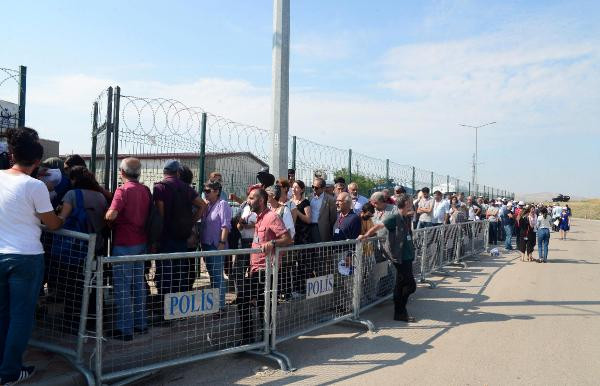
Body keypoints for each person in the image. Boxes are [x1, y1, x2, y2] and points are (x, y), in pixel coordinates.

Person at [0, 127, 63, 384]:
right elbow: (53, 223)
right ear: (37, 162)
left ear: (11, 154)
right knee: (22, 316)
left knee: (3, 313)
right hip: (26, 256)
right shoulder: (35, 186)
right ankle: (10, 371)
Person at [239, 188, 292, 345]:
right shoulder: (259, 218)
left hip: (267, 271)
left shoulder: (272, 217)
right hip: (256, 270)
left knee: (263, 306)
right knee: (246, 301)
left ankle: (266, 342)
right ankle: (250, 340)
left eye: (251, 198)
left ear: (260, 200)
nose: (248, 201)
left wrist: (273, 243)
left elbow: (287, 239)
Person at [104, 158, 149, 341]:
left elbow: (111, 215)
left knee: (122, 287)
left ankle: (125, 328)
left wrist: (106, 215)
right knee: (138, 284)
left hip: (124, 243)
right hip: (141, 242)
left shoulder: (122, 191)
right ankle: (141, 323)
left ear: (121, 172)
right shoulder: (145, 190)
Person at [153, 160, 205, 306]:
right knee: (179, 272)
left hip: (165, 237)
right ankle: (176, 307)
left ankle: (163, 306)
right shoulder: (187, 188)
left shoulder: (160, 187)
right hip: (182, 237)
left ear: (164, 172)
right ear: (177, 173)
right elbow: (203, 205)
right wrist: (191, 222)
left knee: (165, 272)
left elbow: (160, 213)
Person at [358, 194, 416, 322]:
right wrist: (365, 236)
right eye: (410, 201)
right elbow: (378, 226)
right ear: (406, 202)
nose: (412, 202)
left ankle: (400, 312)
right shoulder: (394, 216)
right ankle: (400, 309)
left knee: (400, 284)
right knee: (410, 285)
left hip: (407, 255)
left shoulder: (405, 216)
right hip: (400, 256)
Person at [200, 180, 232, 312]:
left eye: (208, 191)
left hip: (216, 246)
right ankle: (214, 304)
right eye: (204, 191)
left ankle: (220, 306)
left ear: (217, 191)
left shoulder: (222, 204)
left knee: (217, 276)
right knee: (212, 276)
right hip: (206, 245)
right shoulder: (207, 206)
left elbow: (226, 226)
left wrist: (222, 243)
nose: (205, 194)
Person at [309, 177, 337, 243]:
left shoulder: (330, 199)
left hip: (322, 228)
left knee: (321, 250)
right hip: (310, 227)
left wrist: (328, 227)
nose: (314, 189)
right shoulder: (310, 197)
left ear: (323, 188)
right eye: (313, 187)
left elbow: (333, 217)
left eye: (316, 188)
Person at [291, 180, 311, 245]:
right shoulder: (289, 202)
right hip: (291, 232)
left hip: (302, 234)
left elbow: (308, 220)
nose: (293, 189)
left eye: (296, 187)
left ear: (302, 190)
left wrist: (297, 211)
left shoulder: (305, 202)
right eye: (293, 187)